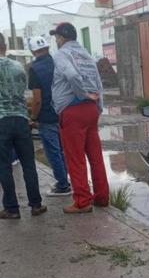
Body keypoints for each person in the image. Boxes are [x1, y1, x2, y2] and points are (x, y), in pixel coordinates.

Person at [50, 22, 109, 214]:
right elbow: (98, 84)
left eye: (57, 37)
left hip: (72, 110)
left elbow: (72, 75)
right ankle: (101, 197)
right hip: (91, 110)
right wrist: (97, 107)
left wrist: (82, 94)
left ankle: (82, 201)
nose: (56, 40)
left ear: (62, 38)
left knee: (75, 159)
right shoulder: (86, 54)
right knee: (95, 156)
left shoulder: (61, 54)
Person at [0, 32, 46, 219]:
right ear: (4, 45)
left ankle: (12, 208)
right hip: (20, 119)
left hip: (1, 121)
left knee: (4, 166)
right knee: (28, 164)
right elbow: (22, 93)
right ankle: (36, 205)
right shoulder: (18, 66)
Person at [28, 35, 70, 196]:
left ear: (33, 51)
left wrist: (33, 117)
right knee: (62, 150)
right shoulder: (57, 63)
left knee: (53, 151)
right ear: (47, 48)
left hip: (46, 116)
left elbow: (37, 99)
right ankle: (65, 179)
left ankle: (63, 185)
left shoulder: (34, 69)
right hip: (62, 112)